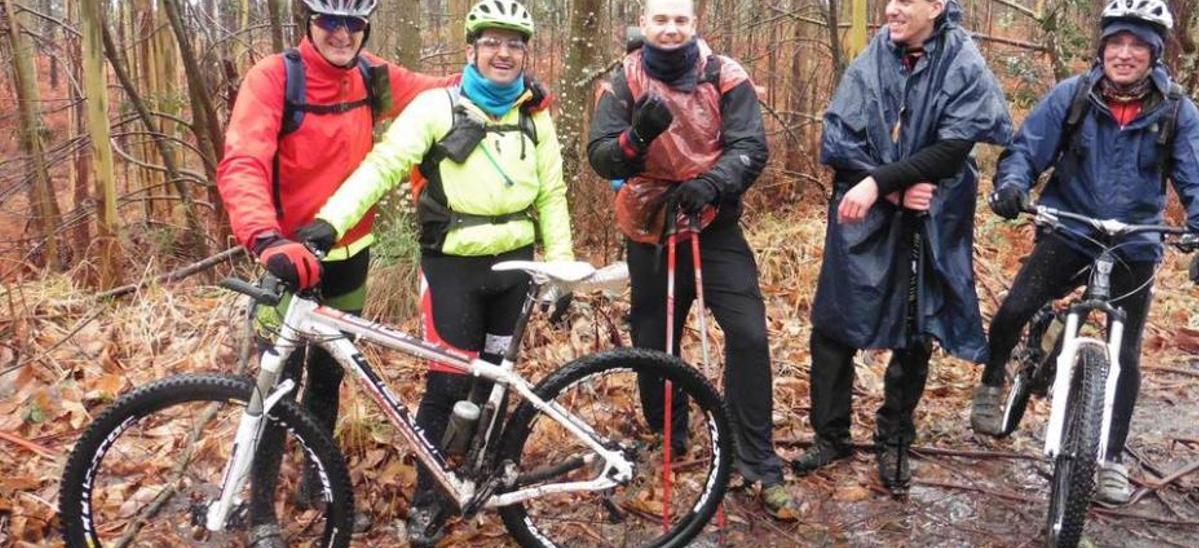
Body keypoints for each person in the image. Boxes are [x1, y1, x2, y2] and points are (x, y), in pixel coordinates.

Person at [298, 0, 572, 543]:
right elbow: (382, 167)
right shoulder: (435, 107)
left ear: (524, 53)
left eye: (514, 44)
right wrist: (329, 223)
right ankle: (430, 495)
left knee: (494, 382)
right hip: (452, 267)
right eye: (492, 42)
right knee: (447, 385)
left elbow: (552, 195)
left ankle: (477, 475)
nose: (503, 53)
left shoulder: (533, 115)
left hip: (516, 267)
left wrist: (559, 271)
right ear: (471, 50)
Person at [970, 0, 1199, 504]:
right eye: (1117, 42)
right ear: (1103, 47)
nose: (1125, 53)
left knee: (1125, 353)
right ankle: (991, 379)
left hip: (1135, 241)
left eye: (1138, 45)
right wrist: (1012, 184)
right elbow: (1028, 150)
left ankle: (1110, 457)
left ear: (1155, 54)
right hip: (1071, 228)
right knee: (1014, 310)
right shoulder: (1073, 96)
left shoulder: (1177, 111)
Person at [214, 0, 457, 544]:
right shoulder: (276, 76)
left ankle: (315, 485)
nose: (342, 34)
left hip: (350, 256)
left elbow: (444, 87)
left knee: (328, 377)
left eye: (353, 23)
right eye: (330, 21)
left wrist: (513, 85)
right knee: (276, 383)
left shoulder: (373, 76)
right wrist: (266, 237)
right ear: (309, 21)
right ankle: (261, 515)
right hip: (288, 260)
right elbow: (243, 160)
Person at [586, 0, 799, 521]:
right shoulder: (626, 80)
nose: (671, 28)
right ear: (646, 22)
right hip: (650, 226)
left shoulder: (725, 75)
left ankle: (757, 461)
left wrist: (711, 183)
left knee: (748, 335)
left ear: (693, 24)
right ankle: (670, 440)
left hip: (713, 220)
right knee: (655, 341)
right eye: (661, 19)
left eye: (680, 19)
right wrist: (637, 138)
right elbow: (599, 155)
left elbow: (751, 145)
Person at [794, 0, 1011, 494]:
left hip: (932, 210)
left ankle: (895, 436)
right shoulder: (873, 58)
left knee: (916, 325)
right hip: (866, 208)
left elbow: (955, 146)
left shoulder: (961, 60)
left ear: (935, 7)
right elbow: (838, 140)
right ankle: (830, 435)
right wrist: (886, 188)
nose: (891, 9)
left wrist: (885, 183)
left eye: (904, 1)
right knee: (834, 320)